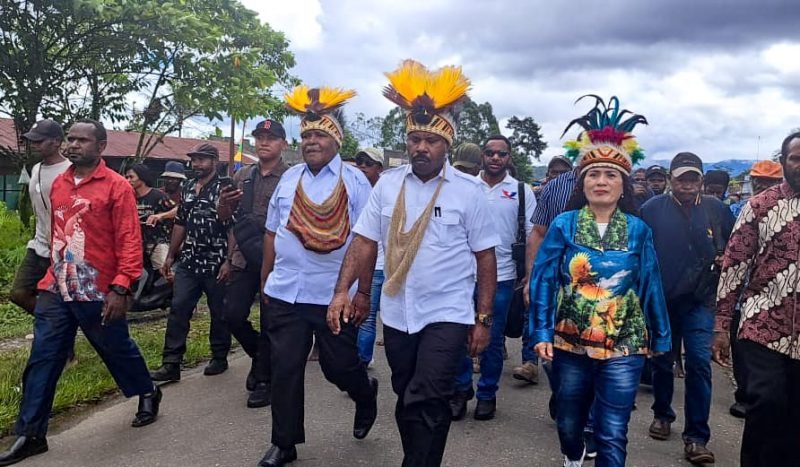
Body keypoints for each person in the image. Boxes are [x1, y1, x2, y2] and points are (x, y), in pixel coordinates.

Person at [330, 59, 498, 467]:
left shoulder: (469, 192)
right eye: (415, 139)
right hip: (398, 310)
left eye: (432, 141)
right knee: (406, 394)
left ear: (448, 146)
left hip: (447, 312)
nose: (422, 147)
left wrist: (483, 318)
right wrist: (344, 291)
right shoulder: (388, 184)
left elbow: (486, 257)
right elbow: (365, 242)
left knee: (428, 394)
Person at [0, 119, 161, 466]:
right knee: (43, 357)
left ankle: (147, 390)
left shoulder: (117, 187)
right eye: (70, 139)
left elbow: (130, 240)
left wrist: (122, 286)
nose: (73, 145)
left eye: (82, 140)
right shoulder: (59, 183)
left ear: (100, 147)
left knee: (116, 349)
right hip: (57, 286)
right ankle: (30, 435)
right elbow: (57, 234)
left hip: (98, 289)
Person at [531, 96, 670, 467]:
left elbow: (650, 283)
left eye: (611, 175)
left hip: (625, 341)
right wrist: (541, 332)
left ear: (624, 185)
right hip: (569, 339)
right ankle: (573, 452)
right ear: (583, 182)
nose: (602, 181)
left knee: (612, 430)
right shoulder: (564, 224)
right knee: (569, 418)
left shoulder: (639, 230)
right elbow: (544, 279)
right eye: (594, 174)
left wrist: (662, 337)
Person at [257, 86, 378, 467]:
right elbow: (272, 234)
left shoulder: (355, 181)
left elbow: (366, 240)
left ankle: (364, 391)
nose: (311, 141)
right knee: (285, 368)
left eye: (320, 134)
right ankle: (284, 442)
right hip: (286, 292)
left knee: (338, 367)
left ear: (336, 140)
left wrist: (361, 293)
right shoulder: (289, 178)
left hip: (333, 296)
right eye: (307, 134)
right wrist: (265, 284)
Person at [640, 151, 735, 465]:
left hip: (701, 301)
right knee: (662, 361)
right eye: (682, 178)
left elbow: (735, 250)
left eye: (694, 177)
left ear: (701, 180)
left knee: (698, 364)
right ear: (670, 179)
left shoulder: (717, 210)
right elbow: (638, 250)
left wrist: (723, 259)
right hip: (663, 300)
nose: (688, 184)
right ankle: (663, 415)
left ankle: (696, 437)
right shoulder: (652, 209)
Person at [713, 131, 800, 467]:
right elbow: (734, 266)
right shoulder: (759, 207)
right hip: (763, 325)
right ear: (784, 163)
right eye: (795, 158)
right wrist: (721, 325)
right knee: (766, 402)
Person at [451, 134, 535, 421]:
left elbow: (534, 234)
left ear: (509, 157)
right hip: (462, 274)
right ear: (482, 157)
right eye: (490, 153)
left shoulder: (522, 191)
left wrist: (529, 273)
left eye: (501, 154)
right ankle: (461, 389)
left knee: (492, 339)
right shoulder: (464, 186)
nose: (495, 158)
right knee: (458, 335)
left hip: (502, 277)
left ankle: (487, 393)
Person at [217, 119, 289, 408]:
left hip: (280, 259)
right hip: (245, 257)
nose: (263, 142)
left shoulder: (292, 177)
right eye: (260, 137)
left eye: (271, 138)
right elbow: (227, 220)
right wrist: (224, 204)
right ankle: (260, 355)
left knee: (271, 320)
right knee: (231, 314)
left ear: (284, 143)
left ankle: (264, 379)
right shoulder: (243, 176)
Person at [150, 143, 233, 382]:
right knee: (179, 309)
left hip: (216, 261)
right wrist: (171, 255)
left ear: (214, 161)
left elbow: (233, 227)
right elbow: (181, 223)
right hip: (189, 260)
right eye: (194, 160)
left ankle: (219, 356)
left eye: (202, 160)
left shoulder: (225, 187)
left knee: (219, 312)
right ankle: (171, 363)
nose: (196, 164)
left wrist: (229, 261)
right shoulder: (187, 187)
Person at [10, 120, 71, 315]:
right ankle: (51, 321)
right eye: (32, 141)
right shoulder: (36, 168)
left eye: (39, 141)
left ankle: (56, 328)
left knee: (67, 297)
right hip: (39, 246)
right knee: (19, 293)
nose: (34, 145)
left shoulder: (70, 171)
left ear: (57, 142)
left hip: (63, 250)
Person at [353, 147, 385, 367]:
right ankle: (362, 361)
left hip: (387, 266)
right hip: (364, 266)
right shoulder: (353, 190)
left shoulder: (388, 191)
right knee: (366, 318)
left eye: (369, 163)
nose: (363, 166)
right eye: (360, 162)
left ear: (379, 168)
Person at [125, 164, 176, 271]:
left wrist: (160, 215)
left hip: (157, 242)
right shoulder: (127, 196)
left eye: (131, 177)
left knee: (165, 271)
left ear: (142, 177)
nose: (128, 180)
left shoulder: (158, 195)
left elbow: (179, 210)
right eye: (126, 177)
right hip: (133, 243)